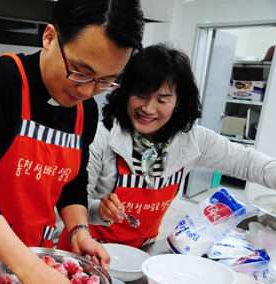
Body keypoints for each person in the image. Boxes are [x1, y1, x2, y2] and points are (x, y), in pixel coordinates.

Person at [0, 0, 144, 284]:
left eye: (106, 81)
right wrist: (27, 268)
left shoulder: (86, 110)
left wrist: (79, 231)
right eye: (82, 72)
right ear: (49, 38)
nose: (87, 91)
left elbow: (72, 181)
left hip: (36, 261)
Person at [56, 43, 276, 250]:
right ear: (125, 94)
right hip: (88, 248)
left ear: (178, 101)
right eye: (141, 96)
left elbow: (247, 162)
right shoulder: (101, 136)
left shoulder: (192, 140)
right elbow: (74, 202)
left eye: (162, 100)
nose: (149, 109)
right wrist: (100, 211)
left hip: (142, 250)